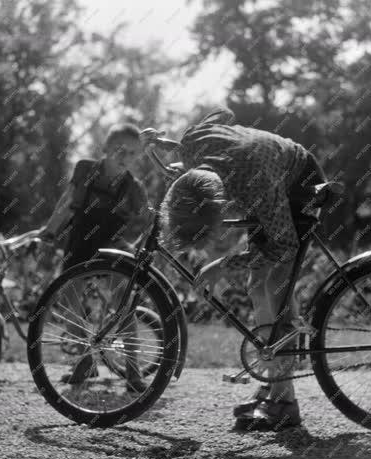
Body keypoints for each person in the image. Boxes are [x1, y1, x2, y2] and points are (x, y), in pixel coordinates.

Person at [142, 107, 332, 431]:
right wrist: (169, 143)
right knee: (258, 285)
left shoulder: (254, 187)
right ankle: (275, 384)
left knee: (274, 287)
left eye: (210, 235)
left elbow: (282, 245)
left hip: (297, 183)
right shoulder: (191, 142)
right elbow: (224, 114)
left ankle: (285, 404)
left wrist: (225, 264)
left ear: (221, 209)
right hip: (261, 169)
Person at [40, 123, 151, 391]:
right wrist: (51, 229)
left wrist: (139, 246)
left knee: (123, 303)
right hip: (80, 240)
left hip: (112, 244)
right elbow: (67, 201)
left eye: (133, 153)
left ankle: (133, 371)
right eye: (120, 150)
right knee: (69, 298)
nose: (126, 157)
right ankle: (85, 361)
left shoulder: (134, 187)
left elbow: (150, 220)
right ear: (105, 148)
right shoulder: (85, 169)